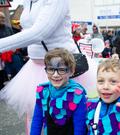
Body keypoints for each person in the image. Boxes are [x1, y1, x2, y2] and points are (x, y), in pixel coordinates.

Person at [0, 0, 97, 134]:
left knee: (67, 112)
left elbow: (39, 32)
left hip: (62, 66)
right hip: (34, 67)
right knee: (35, 115)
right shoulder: (28, 2)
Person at [30, 48, 87, 135]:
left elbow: (80, 126)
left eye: (61, 70)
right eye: (51, 69)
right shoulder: (43, 91)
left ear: (71, 71)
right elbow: (37, 120)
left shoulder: (77, 94)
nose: (55, 75)